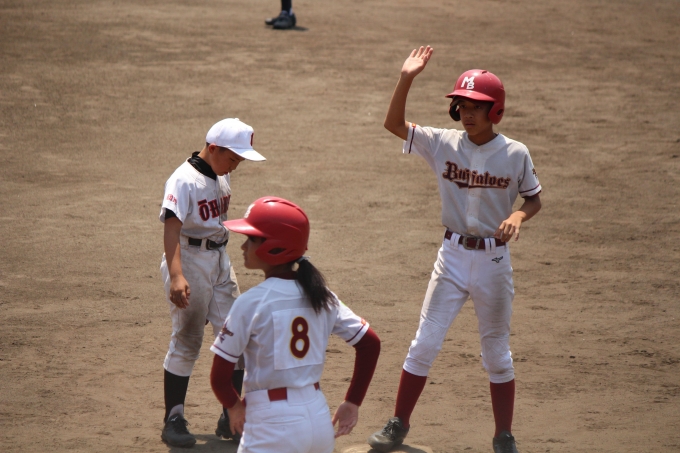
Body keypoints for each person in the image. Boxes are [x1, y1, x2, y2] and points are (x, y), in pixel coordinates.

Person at [367, 46, 542, 453]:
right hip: (451, 258)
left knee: (496, 353)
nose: (467, 112)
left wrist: (519, 216)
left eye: (476, 106)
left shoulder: (515, 153)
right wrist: (406, 77)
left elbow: (533, 199)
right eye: (462, 105)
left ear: (495, 110)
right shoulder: (441, 142)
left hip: (494, 260)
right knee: (424, 343)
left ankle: (503, 435)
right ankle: (398, 423)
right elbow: (393, 124)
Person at [209, 196, 381, 453]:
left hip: (271, 425)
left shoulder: (251, 302)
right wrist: (352, 401)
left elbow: (219, 379)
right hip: (318, 418)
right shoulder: (323, 295)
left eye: (251, 239)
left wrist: (233, 407)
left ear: (274, 247)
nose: (243, 246)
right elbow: (370, 343)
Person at [159, 118, 266, 448]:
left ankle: (231, 415)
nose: (235, 166)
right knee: (188, 340)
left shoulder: (221, 173)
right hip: (189, 260)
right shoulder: (183, 180)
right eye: (233, 158)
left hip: (219, 260)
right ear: (214, 148)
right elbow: (172, 230)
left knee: (238, 336)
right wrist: (177, 275)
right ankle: (174, 418)